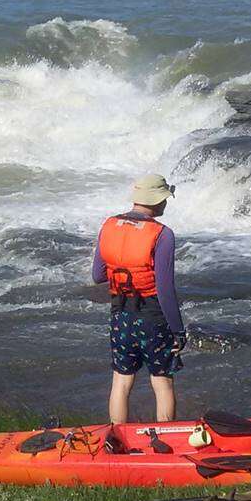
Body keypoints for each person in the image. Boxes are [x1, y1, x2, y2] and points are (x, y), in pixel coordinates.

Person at [92, 173, 187, 424]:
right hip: (153, 317)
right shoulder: (163, 234)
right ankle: (163, 443)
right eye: (165, 198)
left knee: (121, 381)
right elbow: (165, 289)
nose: (167, 203)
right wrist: (178, 331)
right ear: (157, 201)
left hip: (120, 314)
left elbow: (97, 275)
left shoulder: (109, 225)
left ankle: (116, 438)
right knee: (162, 382)